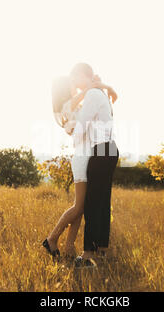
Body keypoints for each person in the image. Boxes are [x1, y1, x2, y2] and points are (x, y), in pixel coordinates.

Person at [42, 73, 117, 260]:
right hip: (83, 158)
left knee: (82, 206)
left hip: (88, 155)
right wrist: (100, 85)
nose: (74, 85)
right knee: (79, 206)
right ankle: (52, 239)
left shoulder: (77, 102)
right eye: (70, 83)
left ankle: (68, 248)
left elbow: (94, 107)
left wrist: (103, 87)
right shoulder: (68, 106)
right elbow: (79, 119)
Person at [69, 63, 119, 269]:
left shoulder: (92, 95)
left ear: (83, 75)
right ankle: (102, 249)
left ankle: (88, 254)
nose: (74, 83)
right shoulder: (101, 94)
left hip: (101, 150)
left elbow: (83, 123)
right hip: (111, 149)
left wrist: (73, 136)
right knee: (102, 201)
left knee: (91, 202)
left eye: (75, 78)